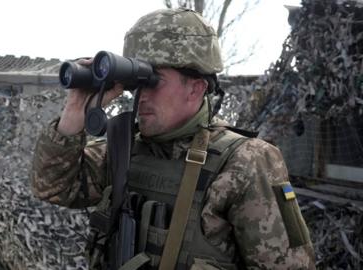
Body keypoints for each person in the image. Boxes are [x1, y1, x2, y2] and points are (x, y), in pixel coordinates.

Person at [31, 8, 315, 270]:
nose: (140, 95)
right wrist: (75, 112)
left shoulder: (246, 161)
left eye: (153, 81)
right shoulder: (125, 148)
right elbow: (54, 187)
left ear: (195, 88)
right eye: (136, 83)